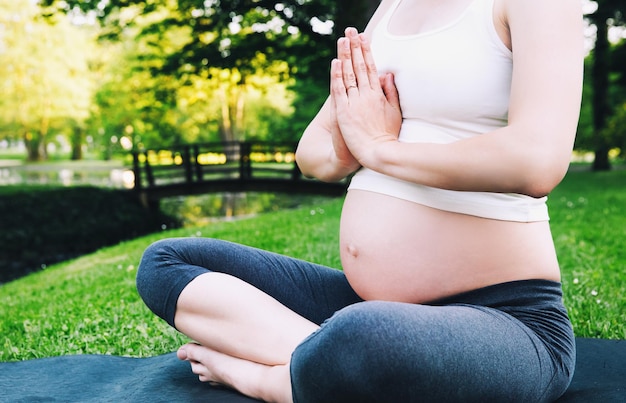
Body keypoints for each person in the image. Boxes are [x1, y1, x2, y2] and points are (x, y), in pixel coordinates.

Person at [136, 0, 584, 401]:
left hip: (505, 317)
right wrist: (358, 138)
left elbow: (537, 162)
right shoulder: (392, 8)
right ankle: (327, 361)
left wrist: (379, 148)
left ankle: (271, 380)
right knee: (167, 261)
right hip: (365, 304)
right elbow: (314, 155)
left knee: (367, 336)